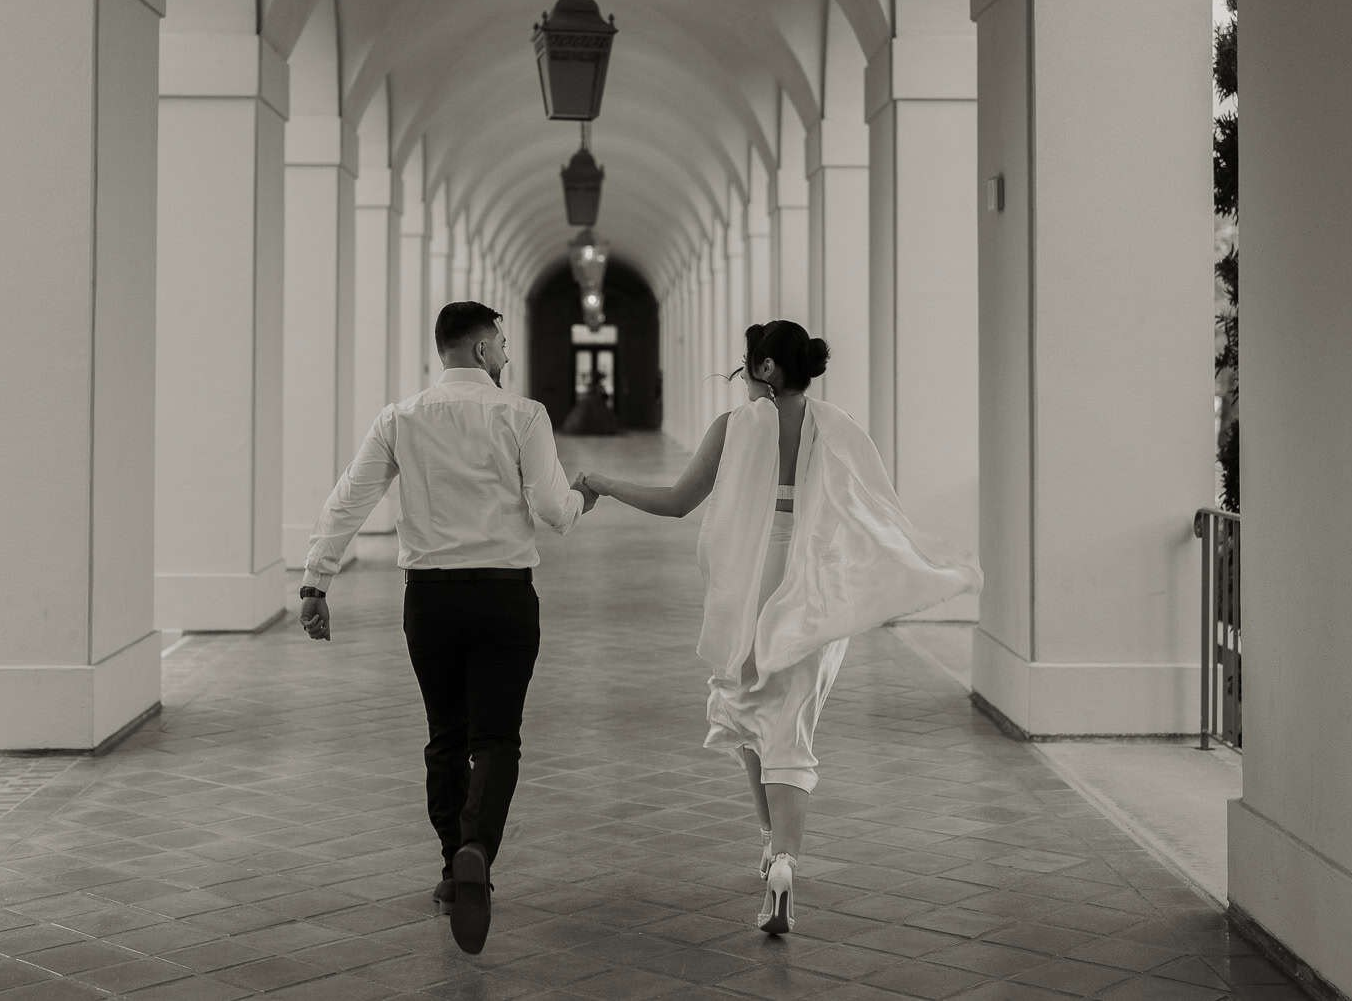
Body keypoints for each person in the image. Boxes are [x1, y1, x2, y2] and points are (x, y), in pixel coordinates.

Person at [575, 320, 979, 936]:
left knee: (747, 710)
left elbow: (677, 501)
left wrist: (600, 481)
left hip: (751, 579)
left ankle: (772, 845)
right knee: (791, 720)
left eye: (748, 366)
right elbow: (874, 507)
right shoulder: (837, 426)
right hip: (812, 578)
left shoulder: (735, 427)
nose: (743, 378)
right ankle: (783, 859)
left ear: (766, 369)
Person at [297, 301, 596, 955]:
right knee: (497, 738)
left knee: (444, 735)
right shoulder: (523, 415)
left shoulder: (399, 419)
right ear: (484, 349)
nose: (508, 357)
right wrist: (581, 499)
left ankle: (448, 869)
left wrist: (316, 580)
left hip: (429, 598)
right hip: (504, 593)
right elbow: (552, 510)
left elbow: (349, 497)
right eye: (503, 346)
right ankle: (476, 850)